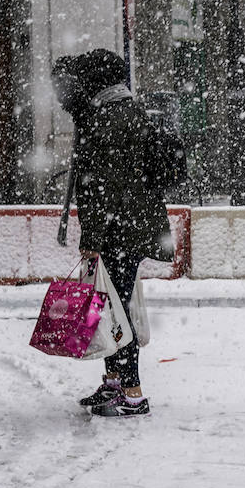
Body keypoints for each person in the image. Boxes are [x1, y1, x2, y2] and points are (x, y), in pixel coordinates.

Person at [55, 49, 173, 417]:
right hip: (132, 227)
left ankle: (133, 394)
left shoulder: (106, 119)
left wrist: (91, 240)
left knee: (115, 314)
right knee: (109, 309)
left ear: (96, 82)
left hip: (117, 232)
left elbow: (100, 188)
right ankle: (113, 385)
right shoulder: (130, 111)